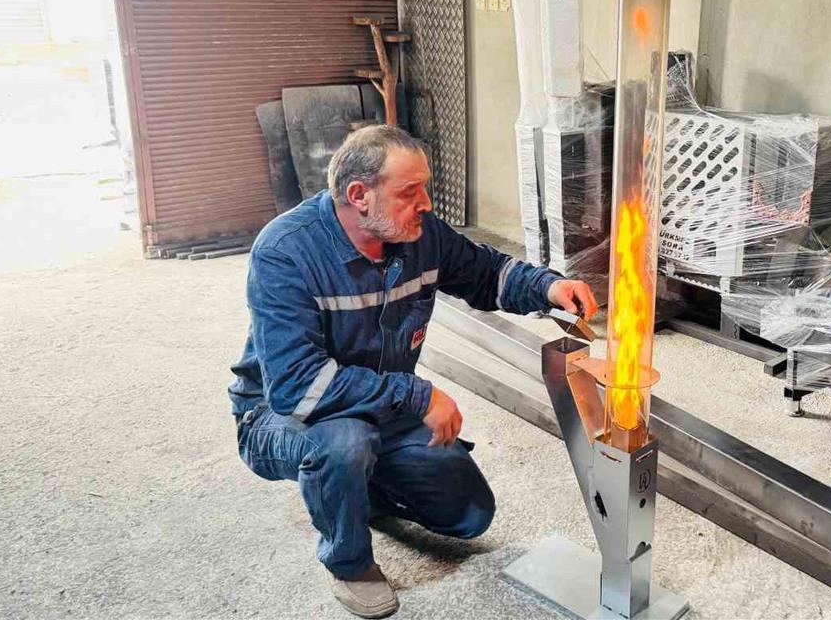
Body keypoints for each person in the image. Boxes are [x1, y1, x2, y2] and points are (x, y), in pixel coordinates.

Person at [228, 125, 598, 618]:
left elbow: (485, 271)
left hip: (380, 406)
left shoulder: (416, 235)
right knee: (342, 443)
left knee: (468, 514)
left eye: (425, 186)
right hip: (281, 415)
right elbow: (297, 386)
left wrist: (550, 287)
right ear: (359, 195)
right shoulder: (286, 251)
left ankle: (360, 486)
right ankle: (350, 561)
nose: (425, 201)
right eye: (410, 191)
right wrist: (417, 397)